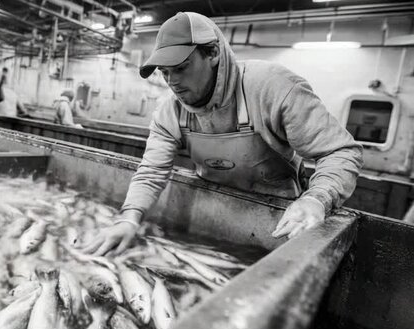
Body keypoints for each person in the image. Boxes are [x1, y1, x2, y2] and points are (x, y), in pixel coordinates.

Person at [81, 12, 363, 256]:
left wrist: (317, 199)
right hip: (212, 215)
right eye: (164, 73)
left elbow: (339, 151)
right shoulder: (170, 112)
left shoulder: (270, 87)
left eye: (180, 68)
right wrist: (128, 219)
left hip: (280, 221)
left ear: (213, 53)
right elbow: (152, 171)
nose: (172, 83)